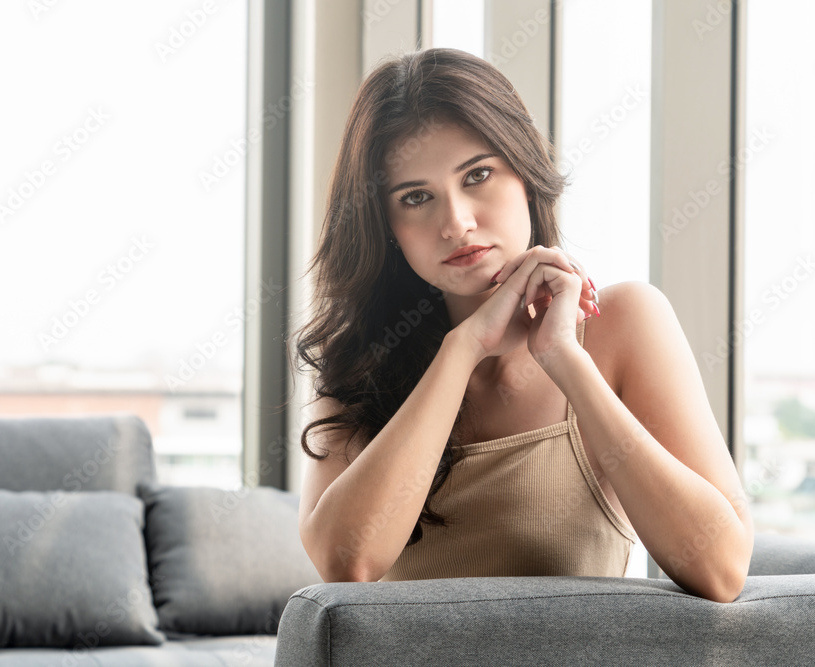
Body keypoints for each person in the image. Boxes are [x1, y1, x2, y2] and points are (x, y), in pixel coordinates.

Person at [292, 48, 753, 603]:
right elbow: (346, 561)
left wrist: (566, 360)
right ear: (386, 226)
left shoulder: (626, 323)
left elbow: (720, 569)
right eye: (416, 198)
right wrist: (461, 352)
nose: (457, 223)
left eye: (478, 175)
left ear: (527, 177)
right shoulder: (359, 355)